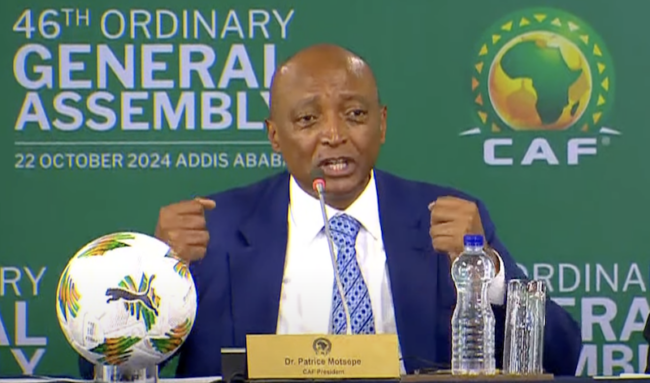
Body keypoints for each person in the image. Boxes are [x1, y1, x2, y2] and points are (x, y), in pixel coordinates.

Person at [79, 43, 582, 378]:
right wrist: (157, 275)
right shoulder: (215, 231)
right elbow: (105, 369)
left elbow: (559, 356)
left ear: (382, 124)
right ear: (275, 136)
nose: (335, 135)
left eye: (355, 114)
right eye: (307, 119)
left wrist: (486, 271)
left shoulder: (446, 221)